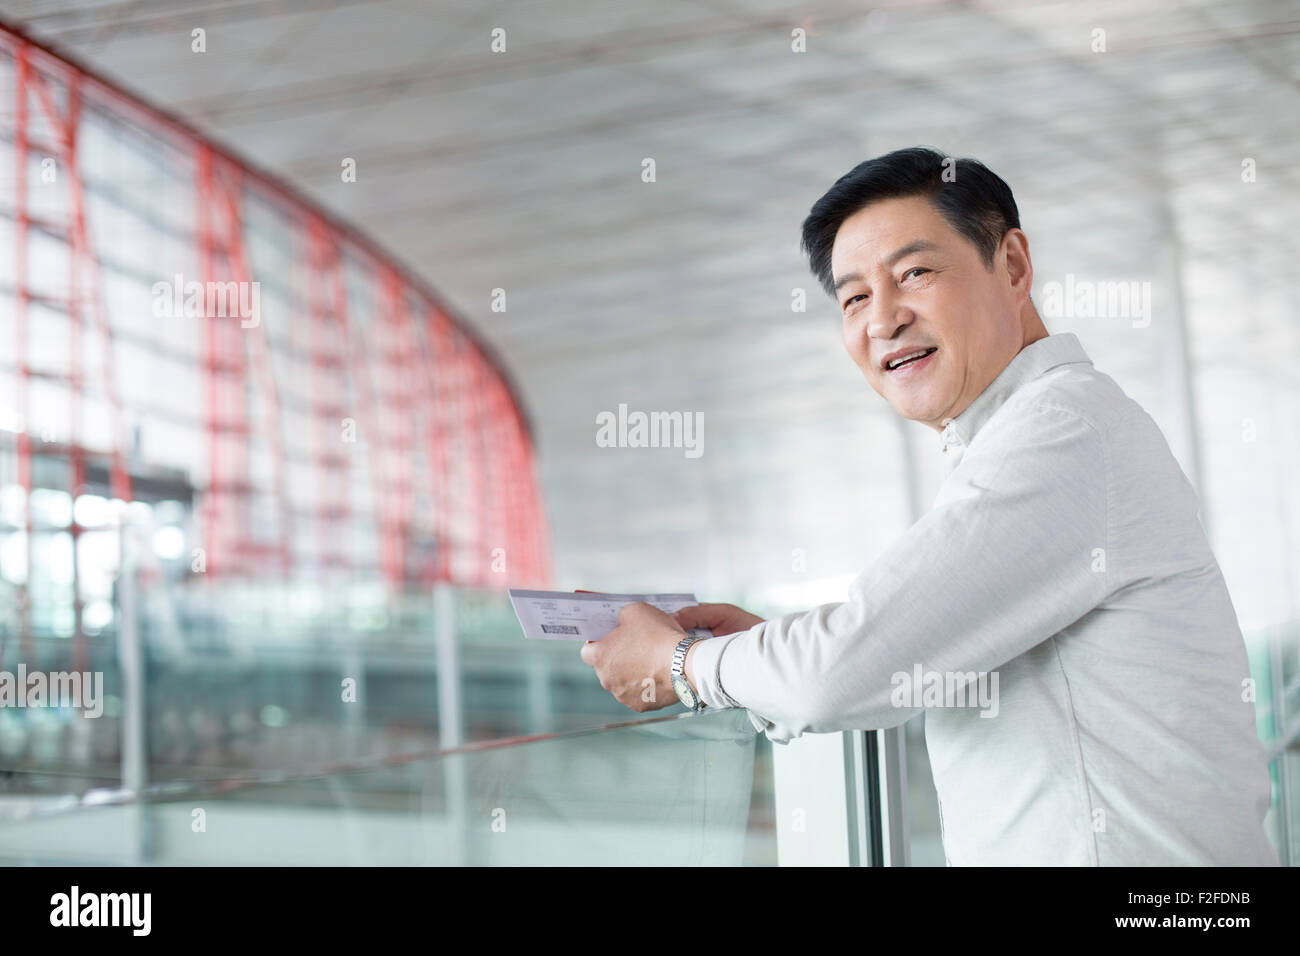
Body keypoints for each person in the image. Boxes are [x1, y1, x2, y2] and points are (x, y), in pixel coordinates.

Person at [579, 146, 1278, 866]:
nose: (882, 319)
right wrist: (754, 652)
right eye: (853, 298)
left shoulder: (1063, 433)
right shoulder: (1034, 434)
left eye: (914, 273)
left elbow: (841, 672)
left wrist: (687, 664)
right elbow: (889, 654)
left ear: (1011, 265)